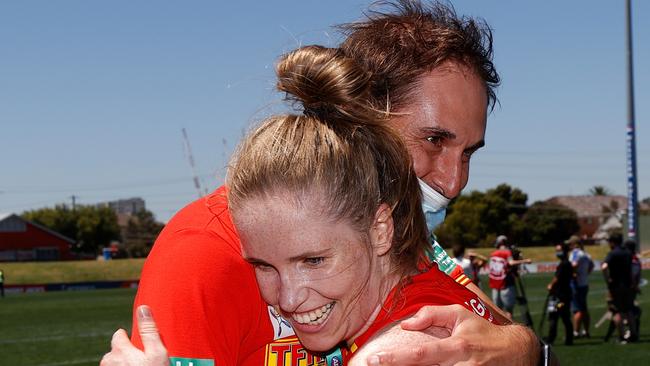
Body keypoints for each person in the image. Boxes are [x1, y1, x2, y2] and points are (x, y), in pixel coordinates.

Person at [103, 1, 543, 365]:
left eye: (468, 152)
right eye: (433, 140)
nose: (454, 181)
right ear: (357, 117)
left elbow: (492, 333)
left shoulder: (403, 235)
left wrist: (523, 348)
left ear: (379, 228)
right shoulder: (206, 250)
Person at [602, 233, 637, 343]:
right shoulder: (627, 253)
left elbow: (604, 267)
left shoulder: (612, 254)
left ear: (612, 242)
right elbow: (631, 269)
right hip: (627, 285)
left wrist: (608, 280)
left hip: (616, 286)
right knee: (629, 310)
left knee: (618, 312)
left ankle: (622, 336)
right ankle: (634, 334)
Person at [488, 235, 531, 319]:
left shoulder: (493, 254)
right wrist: (525, 261)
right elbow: (511, 263)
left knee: (497, 310)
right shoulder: (507, 252)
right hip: (506, 283)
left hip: (495, 284)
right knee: (509, 310)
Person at [544, 244, 574, 346]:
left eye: (559, 250)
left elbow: (557, 278)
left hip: (559, 297)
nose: (557, 252)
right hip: (564, 295)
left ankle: (551, 338)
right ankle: (568, 339)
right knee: (564, 317)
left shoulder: (563, 264)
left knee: (554, 316)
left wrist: (550, 285)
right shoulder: (568, 263)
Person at [565, 235, 593, 339]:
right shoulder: (586, 254)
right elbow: (591, 265)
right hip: (584, 283)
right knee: (584, 308)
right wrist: (585, 274)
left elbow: (574, 264)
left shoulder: (575, 253)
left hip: (576, 284)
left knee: (577, 309)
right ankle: (586, 330)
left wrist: (573, 273)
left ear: (573, 244)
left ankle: (576, 332)